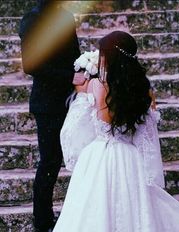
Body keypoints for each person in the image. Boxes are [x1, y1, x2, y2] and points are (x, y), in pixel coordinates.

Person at [53, 31, 179, 232]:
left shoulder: (99, 86)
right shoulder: (143, 89)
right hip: (131, 156)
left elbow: (96, 125)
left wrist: (83, 96)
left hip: (102, 156)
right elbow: (147, 132)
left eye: (103, 54)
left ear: (110, 57)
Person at [18, 0, 81, 231]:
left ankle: (80, 216)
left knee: (84, 161)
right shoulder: (32, 19)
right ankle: (43, 223)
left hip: (75, 101)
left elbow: (75, 57)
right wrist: (69, 78)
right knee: (50, 163)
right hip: (48, 104)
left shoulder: (65, 18)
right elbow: (31, 64)